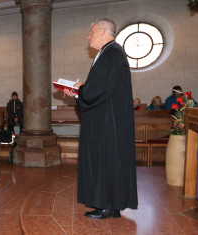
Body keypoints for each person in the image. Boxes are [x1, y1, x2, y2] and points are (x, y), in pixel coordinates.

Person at [65, 18, 138, 219]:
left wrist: (81, 89)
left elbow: (99, 89)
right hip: (104, 118)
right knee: (104, 161)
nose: (88, 36)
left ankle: (108, 205)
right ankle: (108, 204)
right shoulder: (108, 53)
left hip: (107, 122)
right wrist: (80, 91)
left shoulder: (112, 53)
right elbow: (99, 87)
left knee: (107, 160)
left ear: (103, 31)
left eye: (91, 32)